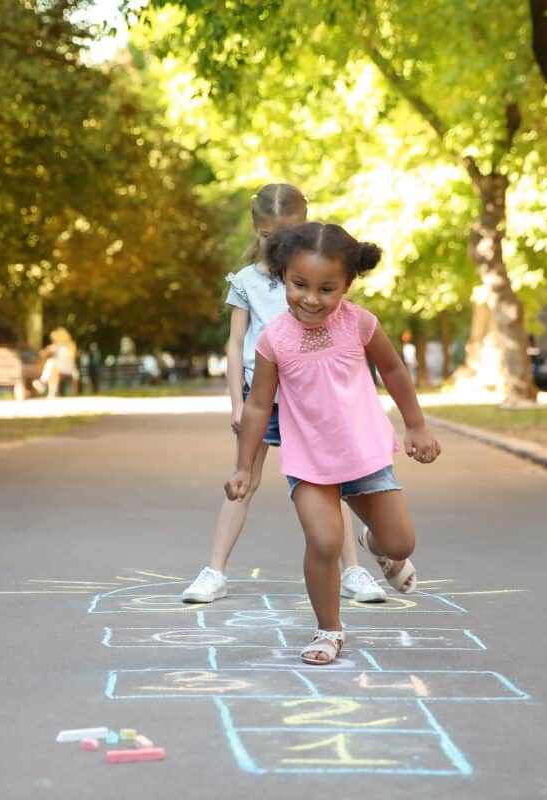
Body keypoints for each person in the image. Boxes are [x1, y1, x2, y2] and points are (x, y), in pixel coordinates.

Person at [226, 222, 442, 665]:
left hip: (363, 454)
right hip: (310, 462)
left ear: (347, 284)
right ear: (283, 276)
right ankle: (329, 629)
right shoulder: (274, 340)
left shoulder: (360, 323)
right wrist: (245, 465)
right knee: (323, 542)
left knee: (400, 543)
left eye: (327, 288)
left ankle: (376, 545)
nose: (311, 298)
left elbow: (394, 370)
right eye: (299, 284)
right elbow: (257, 405)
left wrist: (416, 425)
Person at [183, 184, 388, 605]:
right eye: (267, 236)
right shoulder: (245, 282)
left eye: (286, 235)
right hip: (263, 396)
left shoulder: (314, 276)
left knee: (333, 483)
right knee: (244, 479)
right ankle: (214, 571)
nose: (275, 244)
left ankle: (353, 571)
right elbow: (234, 343)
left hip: (313, 397)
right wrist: (238, 403)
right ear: (256, 230)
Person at [34, 327, 78, 398]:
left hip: (69, 367)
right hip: (58, 367)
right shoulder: (55, 346)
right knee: (52, 367)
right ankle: (51, 392)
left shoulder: (71, 345)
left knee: (52, 363)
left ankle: (42, 382)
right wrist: (47, 351)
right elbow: (42, 354)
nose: (53, 340)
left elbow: (72, 356)